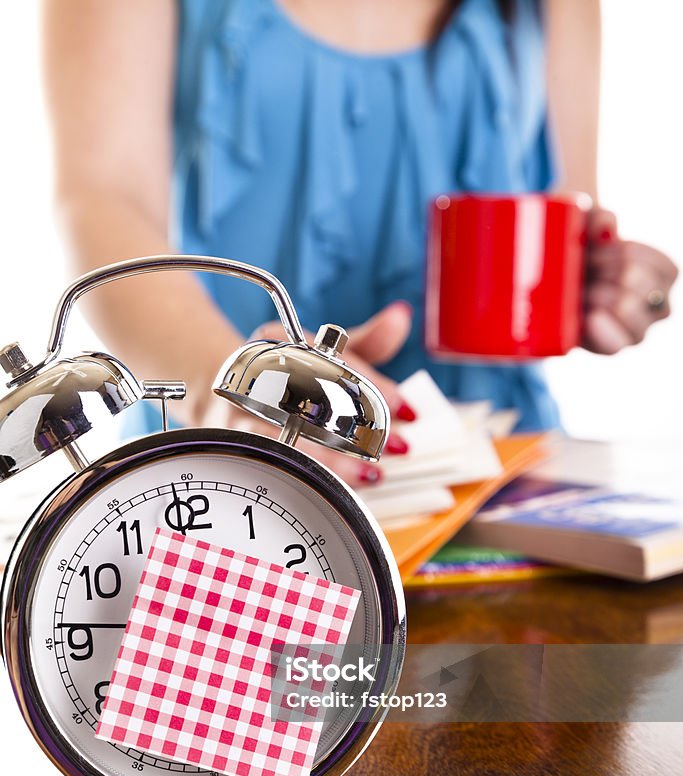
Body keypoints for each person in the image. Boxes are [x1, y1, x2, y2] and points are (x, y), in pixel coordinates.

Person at [43, 0, 677, 486]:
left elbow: (568, 211)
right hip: (233, 457)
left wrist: (604, 285)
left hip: (494, 467)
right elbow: (105, 197)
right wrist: (230, 391)